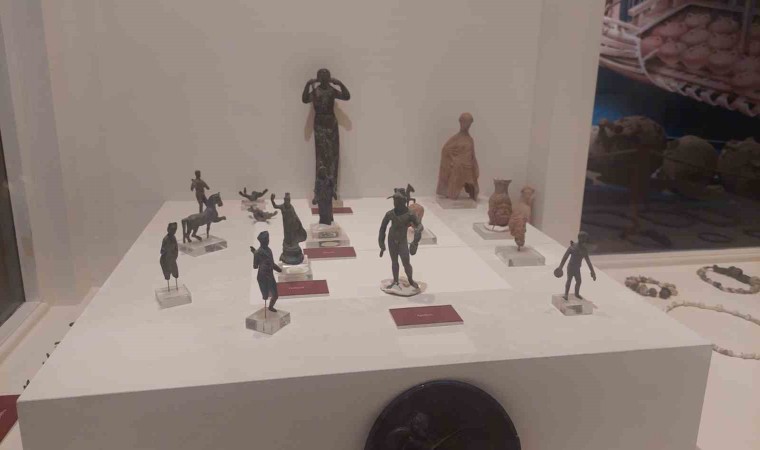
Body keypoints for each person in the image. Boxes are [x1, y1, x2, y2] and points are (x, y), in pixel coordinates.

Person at [302, 68, 350, 201]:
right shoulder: (316, 91)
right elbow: (305, 99)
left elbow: (346, 96)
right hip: (319, 124)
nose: (324, 78)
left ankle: (332, 188)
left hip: (331, 123)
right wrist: (307, 85)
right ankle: (319, 190)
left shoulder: (331, 90)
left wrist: (340, 84)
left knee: (333, 156)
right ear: (318, 78)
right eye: (321, 76)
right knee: (321, 156)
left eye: (326, 76)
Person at [379, 189, 423, 290]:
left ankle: (410, 279)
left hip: (402, 241)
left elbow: (419, 225)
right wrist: (381, 244)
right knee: (394, 262)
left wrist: (417, 232)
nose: (395, 203)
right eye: (394, 200)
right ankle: (395, 281)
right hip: (392, 240)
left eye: (398, 201)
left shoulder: (410, 214)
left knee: (406, 263)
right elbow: (382, 228)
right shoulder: (390, 213)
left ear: (403, 201)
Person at [555, 231, 597, 300]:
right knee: (569, 280)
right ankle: (566, 294)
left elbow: (588, 262)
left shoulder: (584, 250)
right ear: (580, 238)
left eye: (586, 238)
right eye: (584, 238)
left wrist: (592, 272)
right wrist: (560, 267)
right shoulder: (572, 247)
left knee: (579, 281)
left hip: (577, 268)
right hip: (571, 267)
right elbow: (565, 257)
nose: (586, 240)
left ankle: (576, 293)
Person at [251, 231, 282, 312]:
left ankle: (270, 307)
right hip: (262, 277)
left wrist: (278, 269)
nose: (268, 241)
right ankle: (268, 305)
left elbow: (271, 263)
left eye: (268, 240)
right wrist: (255, 254)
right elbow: (255, 266)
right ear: (262, 241)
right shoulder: (258, 252)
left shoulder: (269, 250)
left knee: (275, 295)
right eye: (266, 240)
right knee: (265, 296)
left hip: (270, 276)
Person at [159, 222, 179, 290]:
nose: (173, 232)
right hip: (165, 260)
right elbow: (161, 251)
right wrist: (164, 249)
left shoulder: (174, 238)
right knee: (167, 274)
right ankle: (168, 288)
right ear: (168, 230)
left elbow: (176, 249)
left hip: (172, 259)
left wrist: (174, 257)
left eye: (174, 230)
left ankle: (176, 286)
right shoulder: (165, 239)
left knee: (175, 273)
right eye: (172, 230)